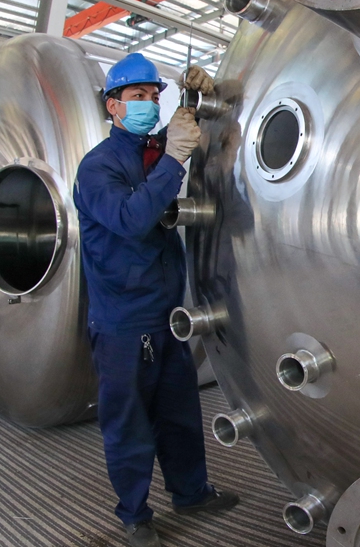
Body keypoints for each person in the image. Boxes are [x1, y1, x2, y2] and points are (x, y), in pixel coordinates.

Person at [73, 54, 238, 547]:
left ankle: (191, 493)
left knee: (179, 413)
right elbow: (131, 219)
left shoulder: (153, 150)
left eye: (153, 95)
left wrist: (201, 99)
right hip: (124, 321)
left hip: (167, 313)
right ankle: (135, 514)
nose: (148, 103)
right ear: (113, 106)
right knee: (130, 423)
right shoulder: (98, 167)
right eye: (137, 96)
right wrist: (173, 160)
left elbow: (185, 138)